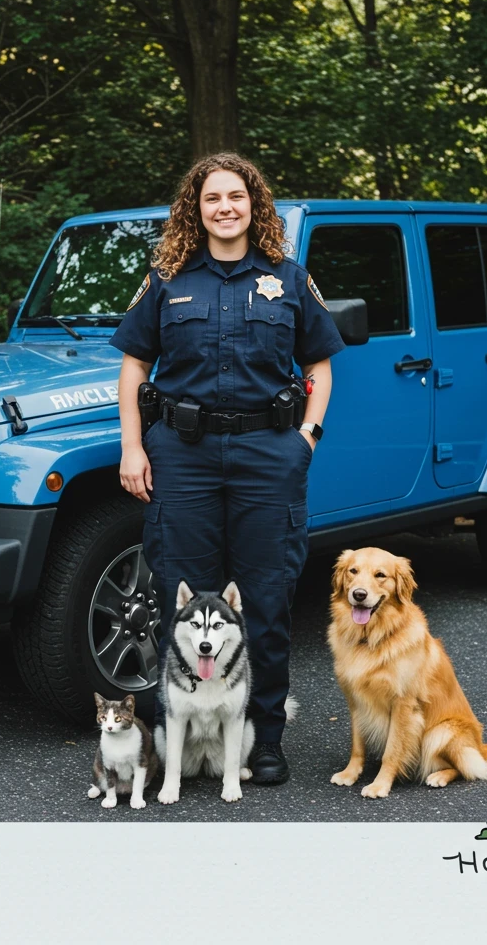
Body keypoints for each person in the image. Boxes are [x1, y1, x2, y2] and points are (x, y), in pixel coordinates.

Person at [108, 153, 344, 784]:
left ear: (253, 203)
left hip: (269, 456)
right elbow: (134, 367)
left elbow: (320, 367)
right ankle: (172, 741)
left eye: (235, 197)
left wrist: (306, 440)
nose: (225, 208)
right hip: (182, 460)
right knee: (177, 599)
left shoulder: (288, 279)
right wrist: (133, 448)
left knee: (266, 601)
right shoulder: (168, 278)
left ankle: (265, 741)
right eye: (212, 198)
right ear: (196, 208)